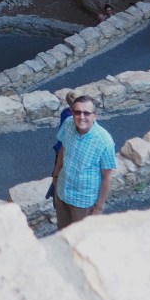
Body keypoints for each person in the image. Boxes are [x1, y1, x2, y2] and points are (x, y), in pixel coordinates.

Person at [51, 95, 116, 229]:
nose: (81, 116)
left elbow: (107, 177)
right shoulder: (68, 123)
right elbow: (63, 150)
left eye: (86, 113)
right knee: (63, 232)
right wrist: (56, 175)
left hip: (83, 201)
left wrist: (98, 208)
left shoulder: (104, 141)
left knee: (81, 238)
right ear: (72, 112)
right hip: (63, 191)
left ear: (94, 116)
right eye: (77, 112)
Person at [46, 91, 78, 199]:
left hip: (60, 146)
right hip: (67, 148)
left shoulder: (65, 112)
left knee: (57, 168)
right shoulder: (73, 118)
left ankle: (54, 189)